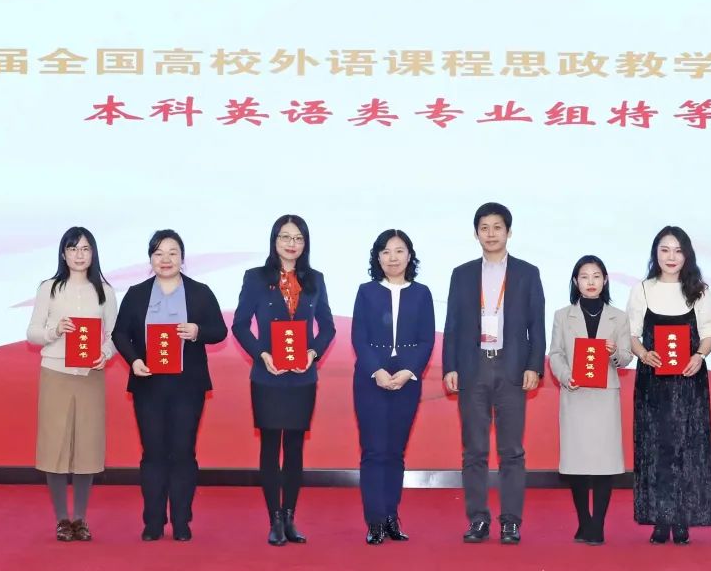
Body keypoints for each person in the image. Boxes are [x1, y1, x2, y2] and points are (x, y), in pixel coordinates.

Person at [112, 229, 227, 542]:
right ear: (150, 259)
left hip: (187, 387)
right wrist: (134, 360)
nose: (165, 259)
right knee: (153, 453)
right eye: (159, 253)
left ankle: (181, 520)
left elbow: (219, 330)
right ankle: (152, 521)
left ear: (182, 258)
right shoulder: (137, 293)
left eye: (172, 253)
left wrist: (197, 331)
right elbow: (120, 333)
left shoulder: (200, 292)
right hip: (148, 385)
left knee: (183, 452)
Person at [442, 202, 545, 545]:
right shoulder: (462, 274)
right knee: (474, 450)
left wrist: (534, 366)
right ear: (476, 234)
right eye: (484, 228)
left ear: (508, 232)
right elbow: (452, 325)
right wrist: (450, 366)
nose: (490, 234)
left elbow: (537, 325)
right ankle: (478, 519)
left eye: (497, 227)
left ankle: (511, 521)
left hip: (512, 367)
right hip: (473, 367)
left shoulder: (527, 273)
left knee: (512, 450)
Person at [232, 215, 335, 546]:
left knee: (293, 448)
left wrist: (313, 353)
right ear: (274, 240)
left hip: (303, 378)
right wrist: (261, 354)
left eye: (298, 238)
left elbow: (328, 327)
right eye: (285, 237)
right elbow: (240, 324)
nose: (292, 244)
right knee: (269, 446)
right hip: (267, 376)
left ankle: (290, 516)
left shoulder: (315, 279)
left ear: (305, 243)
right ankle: (274, 519)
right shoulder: (256, 278)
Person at [625, 225, 711, 545]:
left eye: (678, 250)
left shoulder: (699, 290)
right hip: (653, 381)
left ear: (687, 255)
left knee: (687, 447)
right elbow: (632, 333)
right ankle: (660, 518)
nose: (671, 256)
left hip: (689, 380)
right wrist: (643, 353)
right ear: (655, 253)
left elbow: (710, 332)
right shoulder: (643, 289)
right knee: (656, 446)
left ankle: (682, 519)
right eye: (664, 249)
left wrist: (699, 356)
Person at [26, 226, 117, 542]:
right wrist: (54, 330)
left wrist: (105, 354)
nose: (79, 254)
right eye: (73, 248)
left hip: (90, 376)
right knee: (55, 445)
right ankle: (61, 519)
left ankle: (80, 518)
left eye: (85, 248)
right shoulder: (49, 288)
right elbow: (32, 332)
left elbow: (113, 335)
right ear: (63, 254)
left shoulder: (105, 291)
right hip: (55, 373)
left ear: (93, 254)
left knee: (86, 447)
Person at [351, 229, 435, 545]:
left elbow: (427, 339)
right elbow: (359, 337)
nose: (393, 257)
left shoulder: (422, 293)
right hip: (370, 379)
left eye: (399, 251)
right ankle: (374, 521)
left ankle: (390, 516)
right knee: (374, 451)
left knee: (395, 452)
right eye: (385, 251)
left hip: (407, 380)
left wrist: (408, 371)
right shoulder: (366, 291)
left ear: (409, 256)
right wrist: (377, 371)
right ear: (378, 257)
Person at [548, 255, 633, 546]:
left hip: (605, 396)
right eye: (584, 277)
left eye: (596, 276)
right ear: (576, 282)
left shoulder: (619, 316)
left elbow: (626, 357)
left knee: (604, 462)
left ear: (605, 280)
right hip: (576, 394)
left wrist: (613, 352)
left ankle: (598, 525)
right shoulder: (563, 315)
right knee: (578, 462)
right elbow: (555, 354)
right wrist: (565, 376)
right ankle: (584, 521)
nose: (591, 282)